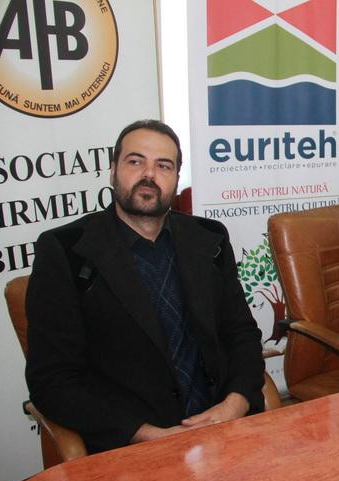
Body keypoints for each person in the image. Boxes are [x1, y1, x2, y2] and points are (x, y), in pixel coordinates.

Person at [25, 120, 265, 453]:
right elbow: (52, 380)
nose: (149, 174)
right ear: (113, 171)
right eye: (136, 161)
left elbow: (241, 334)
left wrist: (234, 405)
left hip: (223, 428)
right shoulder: (65, 251)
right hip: (132, 443)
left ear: (177, 179)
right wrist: (141, 433)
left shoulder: (209, 238)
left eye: (163, 166)